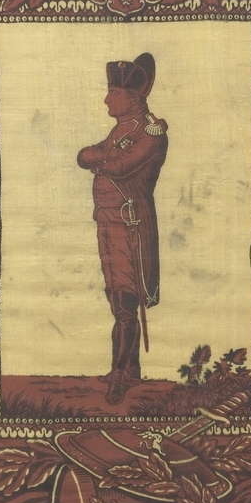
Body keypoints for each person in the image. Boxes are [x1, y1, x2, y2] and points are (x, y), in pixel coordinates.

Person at [77, 54, 168, 404]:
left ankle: (120, 373)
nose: (106, 99)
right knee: (115, 295)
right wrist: (103, 158)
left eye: (114, 93)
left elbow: (120, 167)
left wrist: (101, 159)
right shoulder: (123, 129)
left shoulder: (150, 132)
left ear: (133, 97)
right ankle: (130, 367)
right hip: (108, 221)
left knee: (127, 298)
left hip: (131, 224)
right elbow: (84, 156)